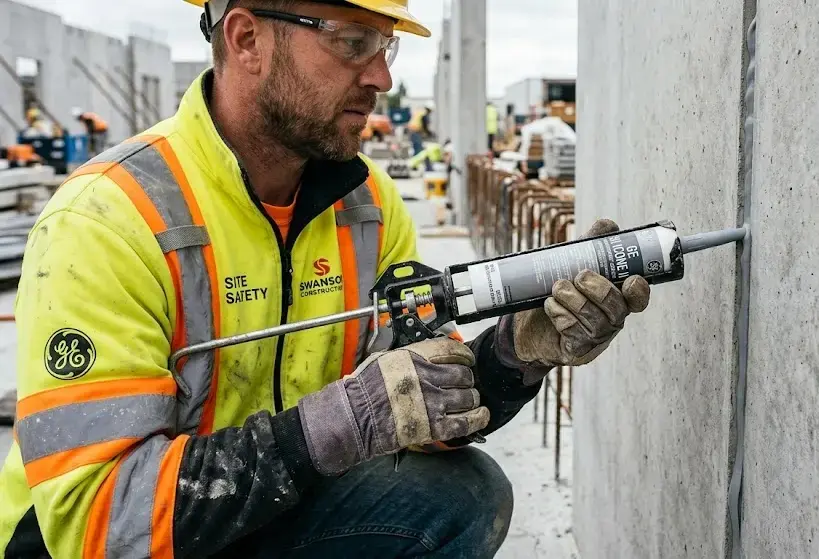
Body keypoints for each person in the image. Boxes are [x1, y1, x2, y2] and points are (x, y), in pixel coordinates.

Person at [0, 1, 652, 557]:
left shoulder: (366, 205)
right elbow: (101, 524)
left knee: (460, 493)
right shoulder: (110, 219)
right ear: (247, 38)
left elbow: (422, 403)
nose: (382, 76)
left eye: (386, 46)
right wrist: (332, 426)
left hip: (254, 514)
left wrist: (518, 352)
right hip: (102, 541)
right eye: (351, 42)